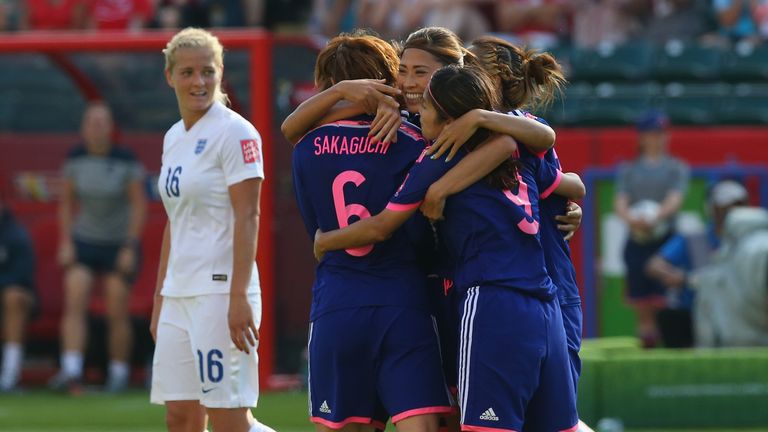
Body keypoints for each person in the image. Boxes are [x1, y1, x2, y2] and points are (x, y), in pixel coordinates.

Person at [315, 65, 583, 432]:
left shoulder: (436, 159)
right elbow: (569, 181)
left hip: (490, 303)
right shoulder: (516, 147)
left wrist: (325, 240)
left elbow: (381, 226)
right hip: (545, 307)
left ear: (448, 121)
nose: (418, 111)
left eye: (425, 106)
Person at [418, 34, 592, 432]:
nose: (461, 69)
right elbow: (567, 183)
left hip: (536, 282)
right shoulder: (486, 130)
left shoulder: (511, 128)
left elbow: (566, 178)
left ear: (495, 74)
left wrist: (442, 186)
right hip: (526, 285)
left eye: (469, 62)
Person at [293, 30, 455, 432]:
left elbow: (312, 221)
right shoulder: (417, 141)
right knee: (425, 424)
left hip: (337, 301)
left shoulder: (304, 146)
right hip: (405, 299)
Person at [149, 27, 273, 432]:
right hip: (178, 294)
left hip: (220, 294)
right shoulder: (172, 138)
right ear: (170, 77)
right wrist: (159, 298)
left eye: (207, 71)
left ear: (220, 73)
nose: (198, 82)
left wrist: (238, 296)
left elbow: (249, 216)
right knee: (180, 417)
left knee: (228, 420)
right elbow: (175, 222)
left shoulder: (236, 132)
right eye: (187, 72)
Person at [50, 101, 147, 394]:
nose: (96, 127)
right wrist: (66, 241)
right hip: (85, 240)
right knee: (75, 292)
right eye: (91, 122)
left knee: (117, 302)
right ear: (83, 127)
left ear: (110, 127)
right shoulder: (75, 158)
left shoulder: (125, 160)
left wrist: (130, 246)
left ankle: (118, 374)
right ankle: (71, 371)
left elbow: (139, 205)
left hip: (118, 242)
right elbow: (66, 204)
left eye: (102, 122)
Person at [614, 109, 690, 348]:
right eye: (652, 133)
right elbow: (621, 202)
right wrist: (631, 219)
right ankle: (647, 349)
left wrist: (656, 216)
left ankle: (667, 347)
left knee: (665, 301)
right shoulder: (629, 170)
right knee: (643, 306)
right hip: (637, 240)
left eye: (661, 133)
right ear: (642, 137)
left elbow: (675, 198)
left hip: (665, 241)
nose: (658, 138)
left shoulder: (676, 168)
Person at [646, 179, 748, 348]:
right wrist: (682, 278)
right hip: (696, 312)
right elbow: (654, 265)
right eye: (725, 207)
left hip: (740, 314)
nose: (732, 212)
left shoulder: (751, 242)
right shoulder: (696, 239)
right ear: (711, 208)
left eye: (738, 206)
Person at [0, 201, 36, 392]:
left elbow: (21, 277)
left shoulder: (15, 234)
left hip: (19, 298)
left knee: (13, 297)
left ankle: (9, 375)